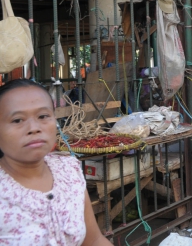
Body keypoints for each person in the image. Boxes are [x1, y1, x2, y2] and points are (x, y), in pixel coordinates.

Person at [0, 79, 113, 246]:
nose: (34, 128)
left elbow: (94, 240)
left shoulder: (69, 170)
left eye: (43, 116)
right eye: (17, 120)